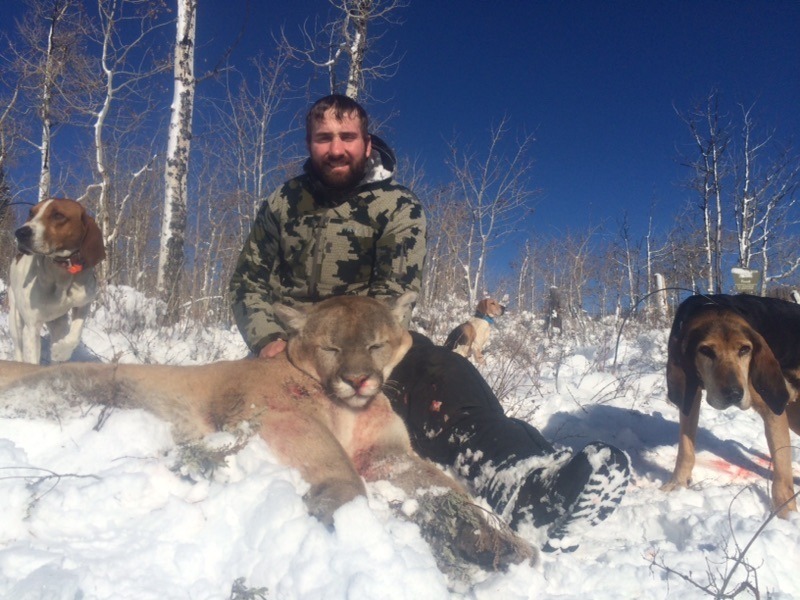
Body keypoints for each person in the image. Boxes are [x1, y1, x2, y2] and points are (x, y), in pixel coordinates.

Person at [229, 94, 630, 552]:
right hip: (294, 350)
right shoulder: (283, 203)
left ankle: (522, 477)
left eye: (347, 137)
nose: (335, 149)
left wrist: (367, 361)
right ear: (309, 143)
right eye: (324, 138)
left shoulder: (397, 207)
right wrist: (269, 340)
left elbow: (392, 301)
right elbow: (247, 282)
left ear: (366, 143)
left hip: (370, 346)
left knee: (442, 371)